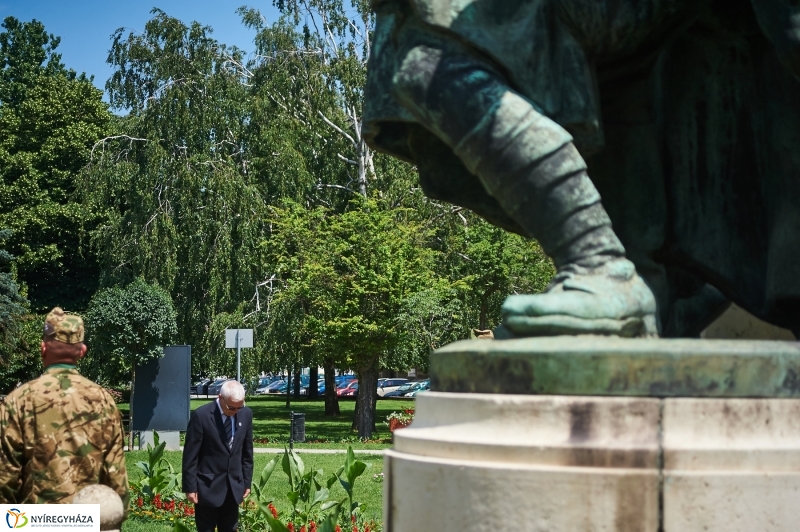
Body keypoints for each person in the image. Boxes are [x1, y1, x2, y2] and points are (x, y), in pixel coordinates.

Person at [0, 307, 129, 509]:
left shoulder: (18, 400)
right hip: (87, 520)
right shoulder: (103, 400)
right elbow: (115, 473)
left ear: (43, 349)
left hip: (33, 522)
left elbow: (5, 476)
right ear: (82, 352)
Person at [182, 380, 253, 532]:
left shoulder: (246, 414)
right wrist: (190, 487)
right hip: (207, 487)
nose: (236, 411)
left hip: (233, 486)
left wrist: (247, 482)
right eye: (231, 407)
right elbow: (190, 456)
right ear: (220, 397)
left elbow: (247, 452)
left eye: (239, 407)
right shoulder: (201, 416)